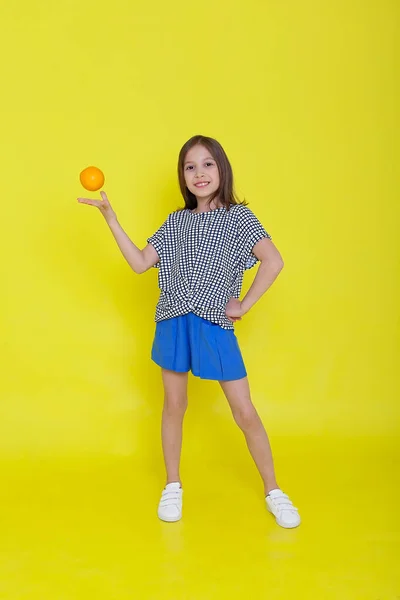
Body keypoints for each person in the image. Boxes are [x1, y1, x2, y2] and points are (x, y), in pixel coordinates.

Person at [78, 135, 301, 529]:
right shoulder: (175, 221)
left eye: (208, 164)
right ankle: (173, 484)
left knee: (244, 411)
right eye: (190, 167)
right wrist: (111, 218)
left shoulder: (239, 218)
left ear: (222, 169)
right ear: (182, 177)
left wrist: (244, 305)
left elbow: (273, 260)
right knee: (174, 407)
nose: (199, 173)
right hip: (172, 322)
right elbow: (140, 263)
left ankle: (274, 491)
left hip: (214, 323)